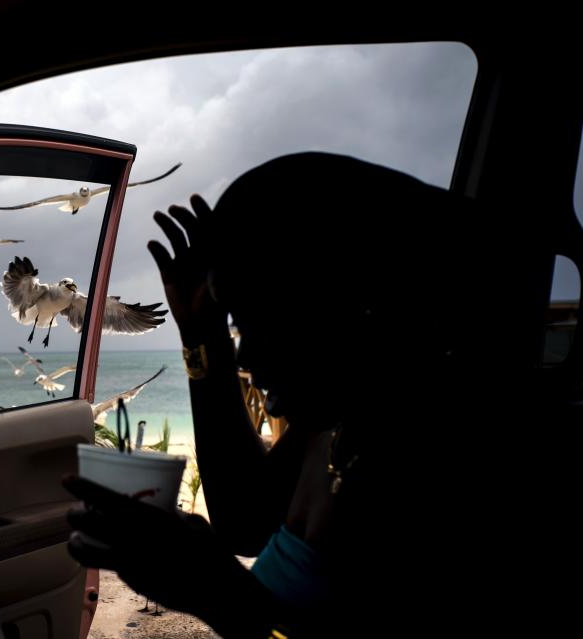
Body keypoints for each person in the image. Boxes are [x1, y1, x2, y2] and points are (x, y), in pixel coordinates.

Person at [64, 152, 533, 636]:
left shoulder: (445, 465)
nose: (244, 361)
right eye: (237, 330)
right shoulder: (338, 429)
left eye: (264, 326)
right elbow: (243, 523)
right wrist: (202, 336)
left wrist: (217, 591)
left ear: (358, 309)